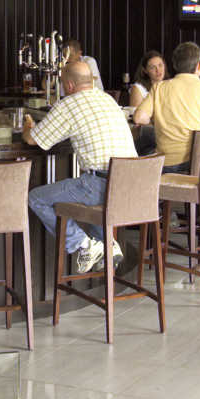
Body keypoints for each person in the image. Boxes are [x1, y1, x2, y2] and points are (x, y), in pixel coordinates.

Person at [23, 60, 138, 274]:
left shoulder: (68, 104)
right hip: (132, 185)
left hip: (102, 184)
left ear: (68, 85)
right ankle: (108, 246)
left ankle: (83, 244)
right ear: (91, 80)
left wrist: (28, 126)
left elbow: (33, 140)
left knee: (36, 198)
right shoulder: (108, 99)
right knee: (90, 200)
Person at [133, 42, 200, 174]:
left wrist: (154, 120)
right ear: (199, 65)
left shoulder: (159, 88)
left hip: (166, 166)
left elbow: (138, 118)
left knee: (142, 145)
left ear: (174, 65)